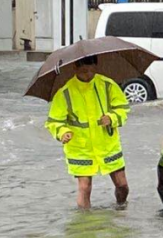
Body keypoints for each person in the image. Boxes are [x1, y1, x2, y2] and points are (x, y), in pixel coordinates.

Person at [45, 56, 131, 209]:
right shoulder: (65, 92)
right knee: (84, 187)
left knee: (122, 184)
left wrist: (112, 118)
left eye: (92, 70)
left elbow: (123, 108)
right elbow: (54, 121)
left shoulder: (107, 85)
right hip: (80, 148)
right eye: (84, 71)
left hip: (107, 144)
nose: (88, 74)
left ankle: (121, 208)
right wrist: (62, 132)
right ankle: (85, 223)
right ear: (75, 69)